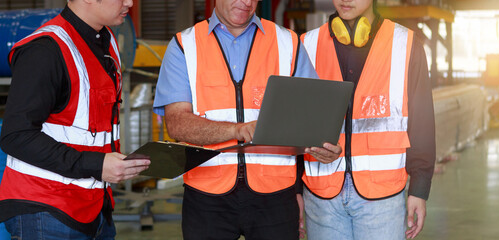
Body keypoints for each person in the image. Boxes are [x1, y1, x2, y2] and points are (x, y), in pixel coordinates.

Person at [152, 0, 341, 238]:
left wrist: (321, 147)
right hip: (206, 196)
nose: (247, 2)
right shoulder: (184, 45)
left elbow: (310, 118)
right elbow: (177, 124)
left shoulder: (288, 42)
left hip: (276, 195)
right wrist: (237, 130)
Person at [0, 0, 151, 239]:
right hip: (47, 208)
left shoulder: (107, 41)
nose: (130, 3)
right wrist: (96, 164)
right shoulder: (45, 50)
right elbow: (16, 136)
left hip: (95, 205)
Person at [299, 0, 436, 238]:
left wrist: (419, 189)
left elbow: (422, 123)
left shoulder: (406, 45)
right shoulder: (306, 45)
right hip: (321, 196)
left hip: (382, 198)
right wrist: (294, 191)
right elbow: (293, 122)